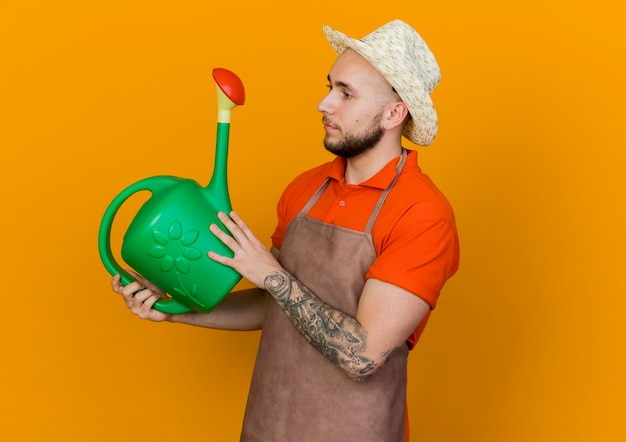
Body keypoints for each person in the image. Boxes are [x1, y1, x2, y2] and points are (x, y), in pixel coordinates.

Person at [111, 19, 459, 441]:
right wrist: (176, 308)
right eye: (330, 86)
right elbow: (272, 306)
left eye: (346, 94)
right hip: (268, 426)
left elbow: (362, 355)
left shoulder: (422, 213)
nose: (324, 103)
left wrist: (271, 274)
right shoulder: (306, 188)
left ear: (393, 113)